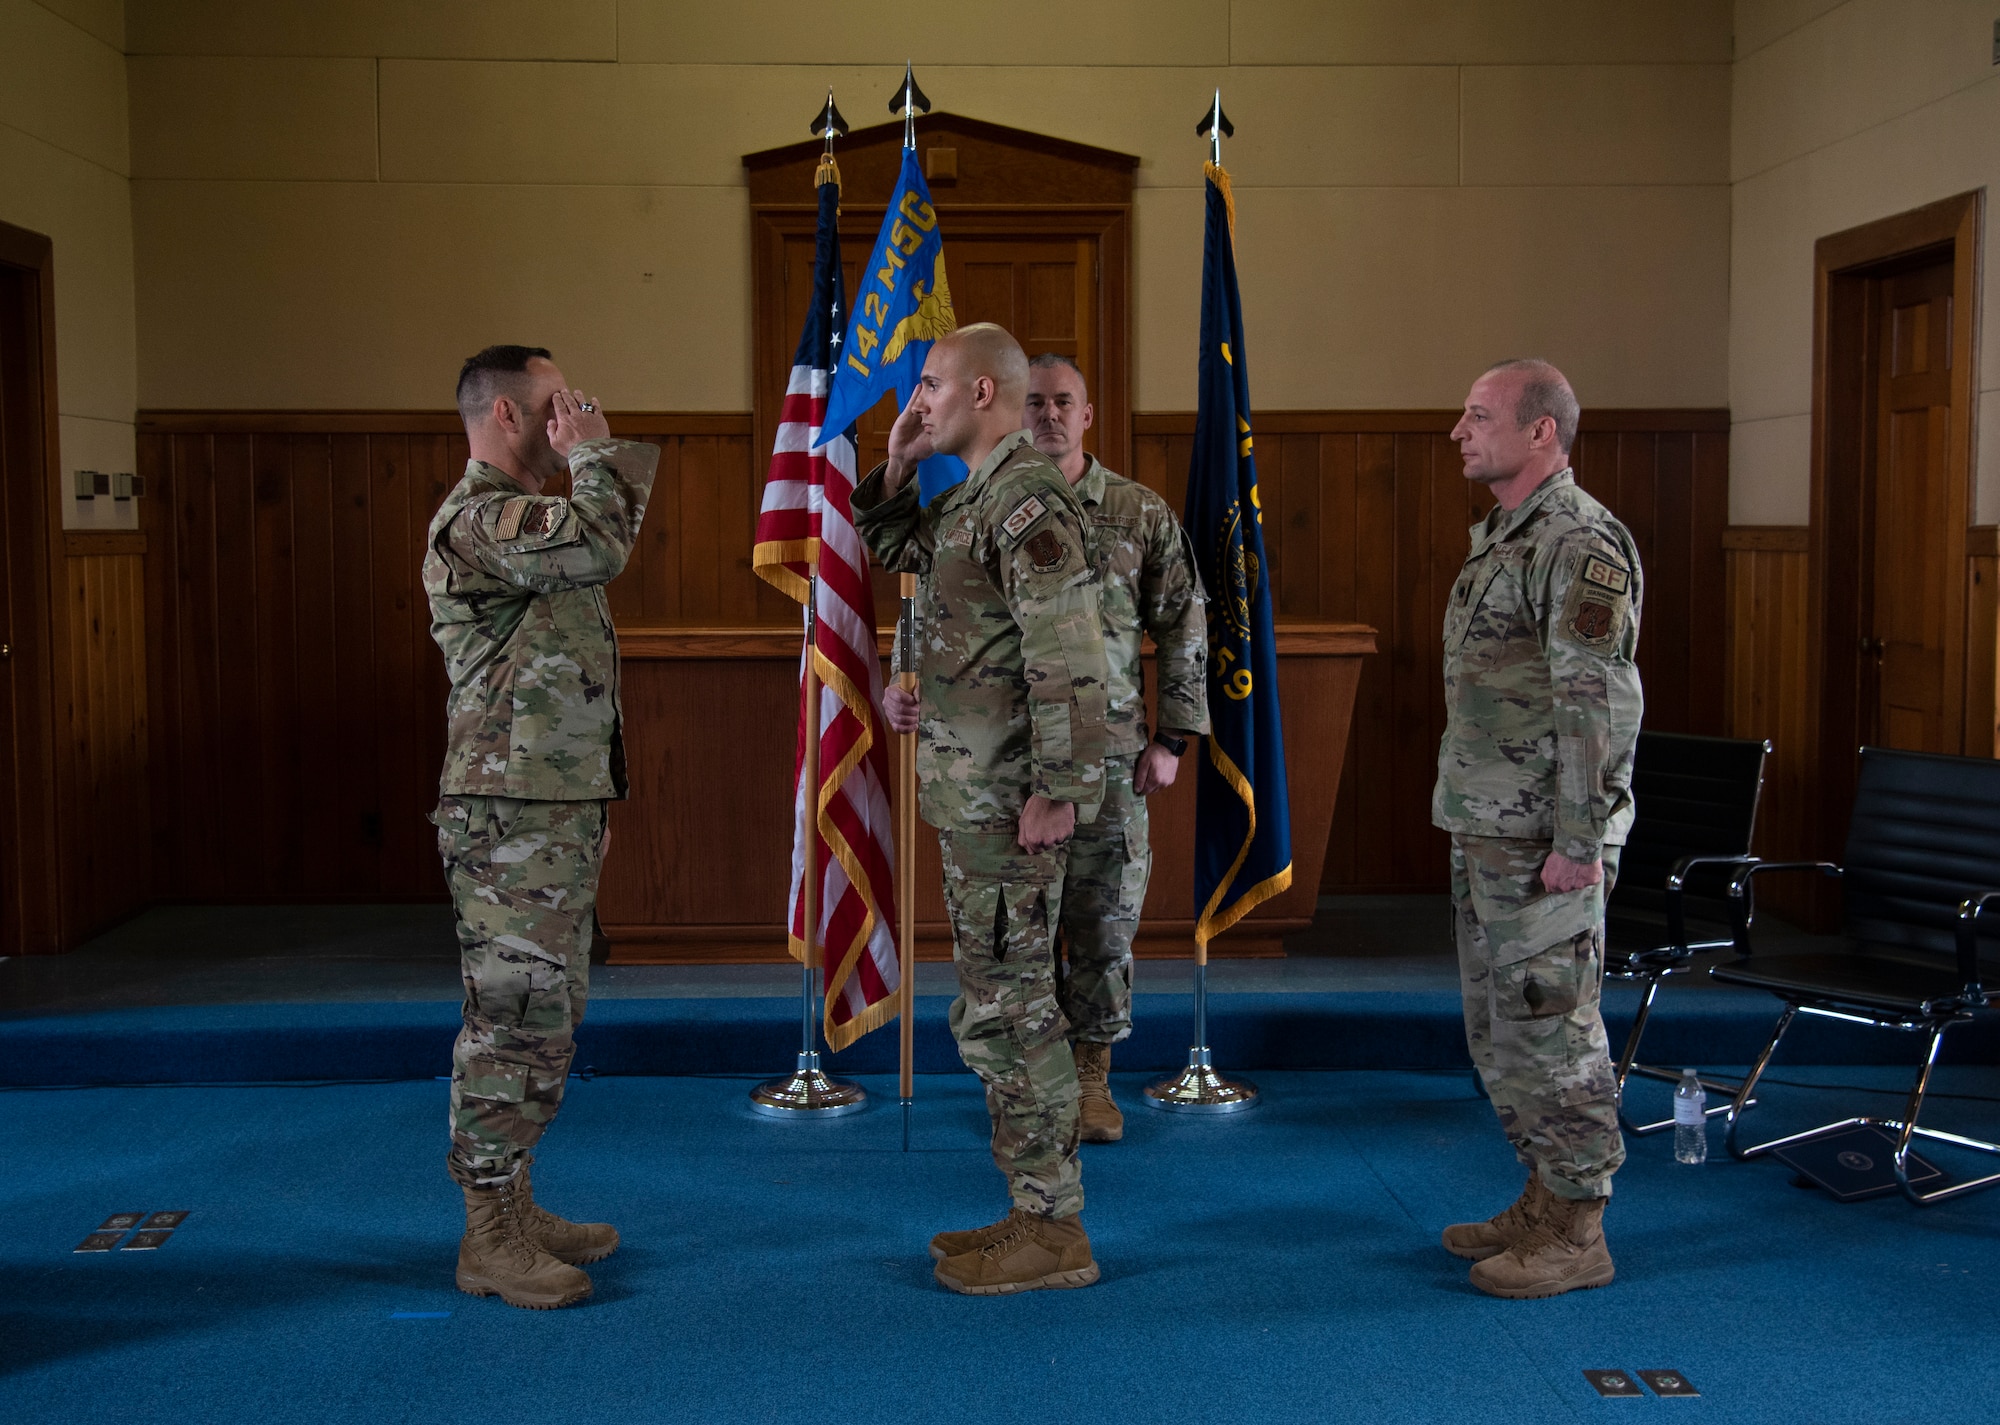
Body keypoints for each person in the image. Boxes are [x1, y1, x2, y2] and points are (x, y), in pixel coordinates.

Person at [853, 324, 1111, 1295]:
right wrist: (896, 460)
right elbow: (892, 542)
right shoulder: (974, 497)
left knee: (1014, 1017)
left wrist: (1057, 790)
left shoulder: (1028, 503)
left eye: (929, 387)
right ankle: (1028, 1211)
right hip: (976, 795)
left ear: (985, 395)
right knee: (999, 1012)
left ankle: (1053, 1227)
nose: (917, 401)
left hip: (1011, 803)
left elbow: (1072, 658)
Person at [422, 344, 659, 1310]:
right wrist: (597, 453)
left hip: (545, 804)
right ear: (509, 417)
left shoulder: (532, 517)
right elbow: (601, 543)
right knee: (512, 1019)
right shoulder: (479, 519)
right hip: (507, 810)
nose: (577, 409)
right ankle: (487, 1230)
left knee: (545, 1015)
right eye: (556, 400)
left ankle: (514, 1202)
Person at [1433, 358, 1644, 1299]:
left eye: (1479, 415)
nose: (1458, 430)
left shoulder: (1579, 539)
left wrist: (1576, 837)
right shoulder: (1507, 535)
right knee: (1503, 1029)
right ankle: (1544, 1195)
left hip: (1543, 839)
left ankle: (1580, 1226)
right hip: (1491, 824)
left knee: (1554, 1028)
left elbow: (1594, 700)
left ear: (1542, 432)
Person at [1022, 353, 1208, 1143]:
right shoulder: (988, 508)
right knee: (1018, 932)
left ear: (1088, 414)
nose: (1049, 416)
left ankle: (1094, 1079)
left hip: (1112, 763)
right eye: (1034, 403)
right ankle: (1035, 1084)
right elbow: (945, 626)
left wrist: (1172, 737)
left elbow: (1184, 622)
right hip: (1014, 766)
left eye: (1063, 401)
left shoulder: (1137, 512)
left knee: (1102, 929)